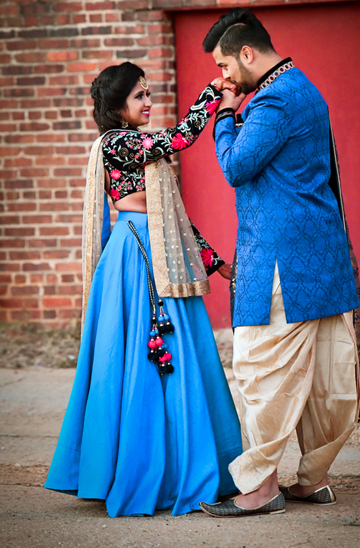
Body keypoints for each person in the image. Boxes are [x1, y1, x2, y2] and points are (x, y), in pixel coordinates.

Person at [44, 61, 243, 517]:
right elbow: (180, 138)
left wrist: (216, 264)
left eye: (148, 93)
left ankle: (181, 466)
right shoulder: (119, 143)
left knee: (179, 362)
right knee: (140, 361)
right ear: (117, 109)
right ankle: (140, 473)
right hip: (136, 259)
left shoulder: (138, 149)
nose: (148, 101)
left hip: (158, 250)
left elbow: (173, 219)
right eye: (139, 96)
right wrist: (212, 92)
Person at [198, 8, 360, 518]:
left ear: (247, 53)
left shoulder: (273, 98)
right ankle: (312, 481)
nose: (223, 78)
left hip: (280, 264)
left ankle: (262, 488)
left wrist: (223, 117)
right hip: (319, 260)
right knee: (323, 381)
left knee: (260, 371)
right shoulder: (304, 88)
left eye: (226, 66)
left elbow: (236, 166)